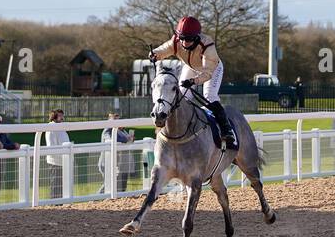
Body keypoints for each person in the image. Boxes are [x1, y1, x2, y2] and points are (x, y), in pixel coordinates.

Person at [148, 15, 237, 150]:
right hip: (191, 67)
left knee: (210, 96)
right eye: (182, 38)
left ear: (196, 37)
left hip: (212, 69)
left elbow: (207, 73)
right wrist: (155, 54)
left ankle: (227, 130)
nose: (184, 42)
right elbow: (165, 49)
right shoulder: (177, 40)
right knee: (183, 96)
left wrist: (193, 81)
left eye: (188, 39)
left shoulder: (207, 46)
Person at [98, 112, 137, 193]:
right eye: (116, 120)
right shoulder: (108, 130)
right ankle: (95, 199)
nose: (119, 122)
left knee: (119, 185)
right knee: (108, 185)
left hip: (119, 164)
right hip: (107, 163)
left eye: (119, 120)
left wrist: (130, 139)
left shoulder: (122, 131)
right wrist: (127, 139)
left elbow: (127, 140)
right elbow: (110, 140)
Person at [39, 109, 71, 199]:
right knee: (56, 185)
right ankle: (54, 203)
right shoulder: (51, 128)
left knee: (62, 185)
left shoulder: (60, 127)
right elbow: (51, 146)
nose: (62, 118)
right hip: (55, 162)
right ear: (54, 116)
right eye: (60, 115)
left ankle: (60, 203)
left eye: (62, 115)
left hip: (63, 161)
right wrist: (63, 155)